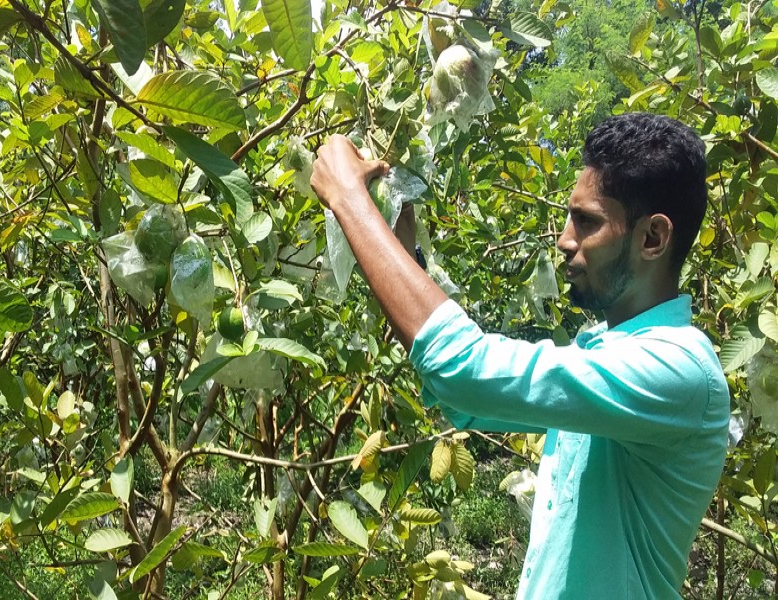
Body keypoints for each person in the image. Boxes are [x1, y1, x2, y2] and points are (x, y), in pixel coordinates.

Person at [309, 112, 729, 599]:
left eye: (588, 221)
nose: (565, 239)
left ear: (652, 238)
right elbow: (472, 397)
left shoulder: (675, 370)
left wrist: (349, 199)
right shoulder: (608, 349)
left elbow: (466, 373)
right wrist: (405, 253)